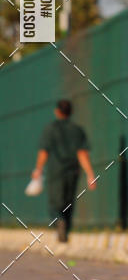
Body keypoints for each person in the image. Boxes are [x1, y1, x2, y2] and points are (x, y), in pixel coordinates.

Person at [31, 99, 96, 242]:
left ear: (57, 112)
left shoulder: (50, 129)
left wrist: (38, 169)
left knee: (55, 203)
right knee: (69, 201)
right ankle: (66, 229)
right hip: (73, 172)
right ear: (71, 112)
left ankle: (59, 221)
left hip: (56, 171)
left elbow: (44, 152)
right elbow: (82, 153)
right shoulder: (78, 130)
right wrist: (90, 175)